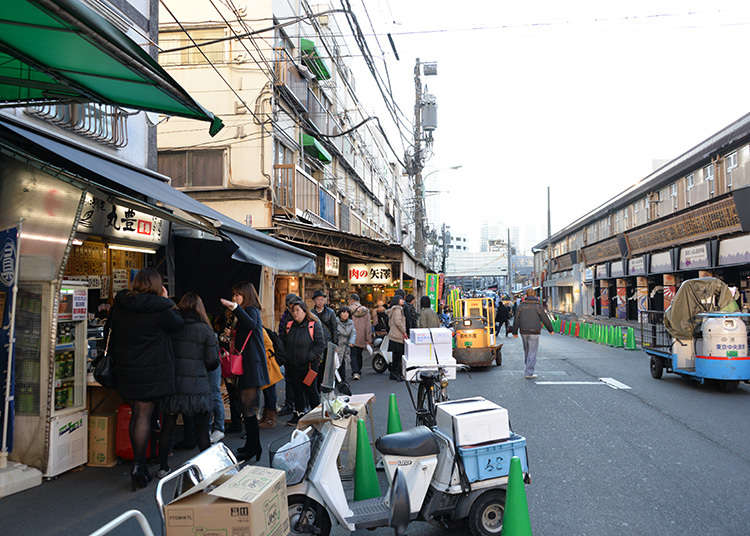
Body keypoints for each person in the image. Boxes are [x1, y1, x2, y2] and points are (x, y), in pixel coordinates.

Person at [107, 268, 183, 490]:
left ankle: (138, 463)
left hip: (127, 369)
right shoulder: (161, 308)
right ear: (158, 286)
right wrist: (167, 300)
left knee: (138, 414)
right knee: (146, 414)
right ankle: (140, 466)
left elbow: (108, 329)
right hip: (153, 370)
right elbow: (178, 325)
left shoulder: (121, 305)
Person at [159, 292, 219, 477]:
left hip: (174, 387)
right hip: (198, 388)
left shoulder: (171, 328)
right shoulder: (205, 330)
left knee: (167, 428)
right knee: (202, 432)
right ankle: (207, 470)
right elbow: (212, 362)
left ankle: (163, 467)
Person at [220, 282, 269, 462]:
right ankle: (252, 446)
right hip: (244, 367)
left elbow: (250, 325)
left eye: (238, 295)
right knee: (245, 408)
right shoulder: (239, 313)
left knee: (249, 409)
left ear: (246, 295)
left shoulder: (251, 311)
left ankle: (253, 447)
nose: (235, 298)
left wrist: (235, 308)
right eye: (234, 295)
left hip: (251, 367)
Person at [284, 301, 325, 425]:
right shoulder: (290, 325)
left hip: (309, 367)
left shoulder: (313, 325)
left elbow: (320, 344)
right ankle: (299, 414)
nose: (295, 313)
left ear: (304, 311)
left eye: (298, 310)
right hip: (293, 366)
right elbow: (284, 342)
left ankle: (317, 415)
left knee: (311, 390)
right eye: (293, 311)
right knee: (297, 391)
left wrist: (309, 357)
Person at [512, 288, 554, 379]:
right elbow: (544, 318)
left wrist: (514, 331)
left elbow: (516, 319)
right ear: (534, 295)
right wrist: (550, 329)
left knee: (527, 350)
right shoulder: (538, 306)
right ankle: (529, 372)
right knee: (532, 352)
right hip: (534, 331)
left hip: (523, 331)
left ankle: (528, 368)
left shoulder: (521, 306)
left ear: (526, 295)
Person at [277, 293, 302, 417]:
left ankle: (300, 407)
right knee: (289, 379)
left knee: (300, 381)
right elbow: (281, 333)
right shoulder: (286, 316)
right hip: (288, 352)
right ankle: (289, 405)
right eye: (291, 304)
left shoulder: (301, 314)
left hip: (300, 353)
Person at [348, 294, 372, 381]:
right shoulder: (366, 311)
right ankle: (359, 370)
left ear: (352, 300)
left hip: (351, 335)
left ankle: (355, 372)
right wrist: (368, 338)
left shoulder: (349, 310)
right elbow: (368, 326)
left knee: (353, 354)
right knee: (359, 354)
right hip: (362, 335)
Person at [386, 295, 407, 381]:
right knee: (398, 357)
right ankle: (396, 374)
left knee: (396, 356)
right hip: (398, 336)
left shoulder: (394, 309)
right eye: (401, 299)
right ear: (397, 300)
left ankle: (394, 374)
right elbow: (398, 322)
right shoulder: (397, 309)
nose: (403, 300)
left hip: (393, 335)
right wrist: (404, 331)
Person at [335, 306, 357, 380]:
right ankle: (337, 380)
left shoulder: (351, 323)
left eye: (347, 312)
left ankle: (342, 380)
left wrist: (351, 342)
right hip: (337, 345)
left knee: (344, 363)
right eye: (343, 312)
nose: (345, 314)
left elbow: (353, 333)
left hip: (346, 346)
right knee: (337, 363)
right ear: (340, 313)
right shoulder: (335, 322)